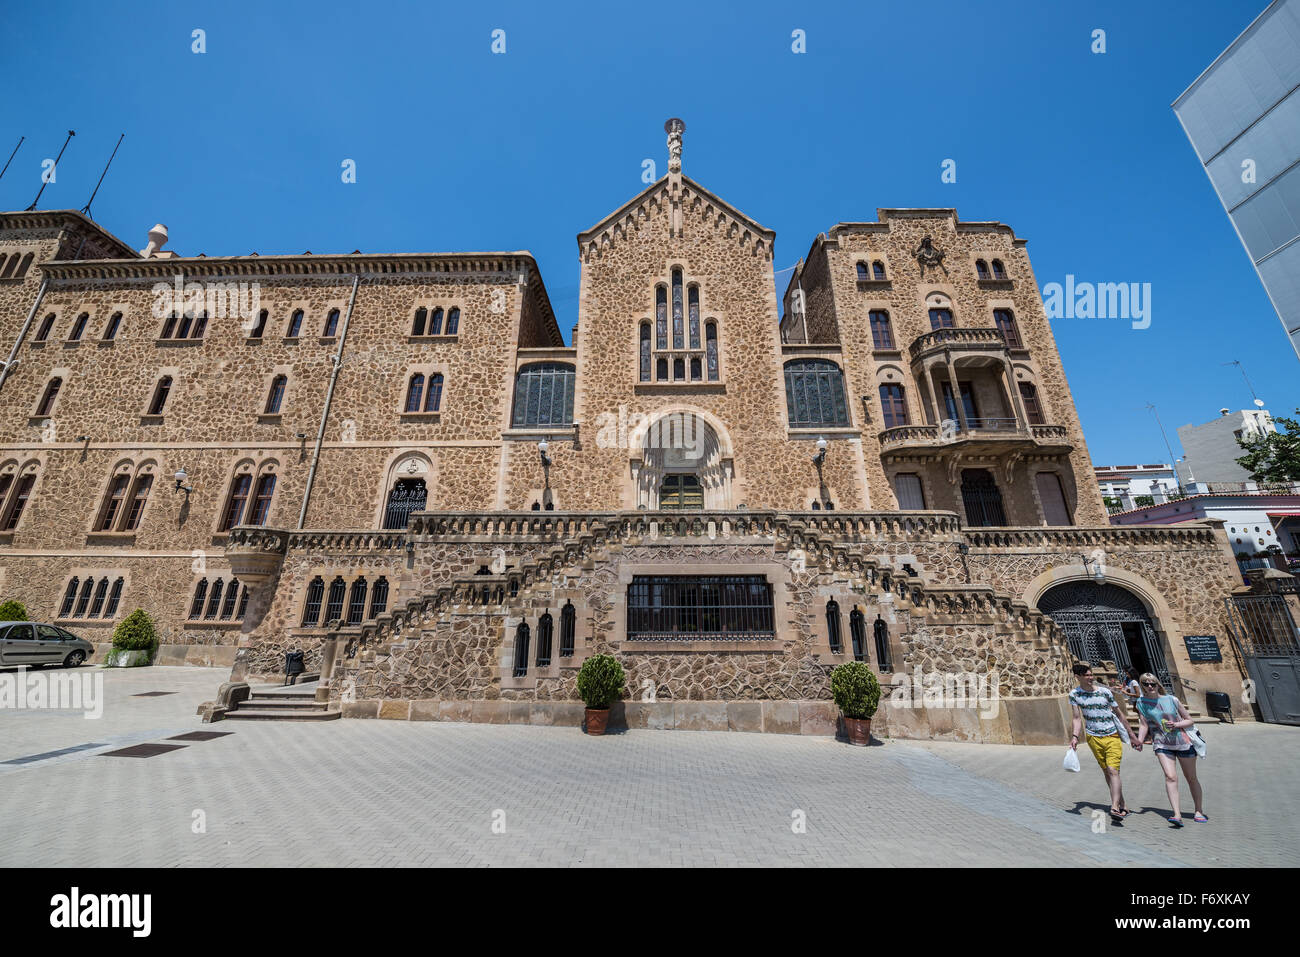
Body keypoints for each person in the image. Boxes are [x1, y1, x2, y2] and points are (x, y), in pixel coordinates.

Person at [1068, 662, 1140, 823]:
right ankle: (1123, 804)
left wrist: (1132, 735)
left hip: (1112, 735)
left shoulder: (1105, 692)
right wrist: (1074, 737)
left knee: (1113, 770)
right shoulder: (1075, 694)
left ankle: (1114, 807)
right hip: (1093, 737)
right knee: (1107, 772)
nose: (1090, 678)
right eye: (1086, 675)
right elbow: (1077, 718)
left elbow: (1120, 715)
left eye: (1091, 674)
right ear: (1077, 677)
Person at [1133, 673, 1207, 827]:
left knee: (1191, 778)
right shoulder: (1140, 702)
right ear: (1142, 686)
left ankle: (1198, 810)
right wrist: (1139, 740)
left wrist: (1177, 725)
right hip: (1161, 743)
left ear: (1158, 684)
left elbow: (1189, 719)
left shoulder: (1171, 699)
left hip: (1183, 742)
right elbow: (1144, 724)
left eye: (1153, 683)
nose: (1150, 686)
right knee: (1170, 777)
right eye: (1146, 684)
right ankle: (1176, 814)